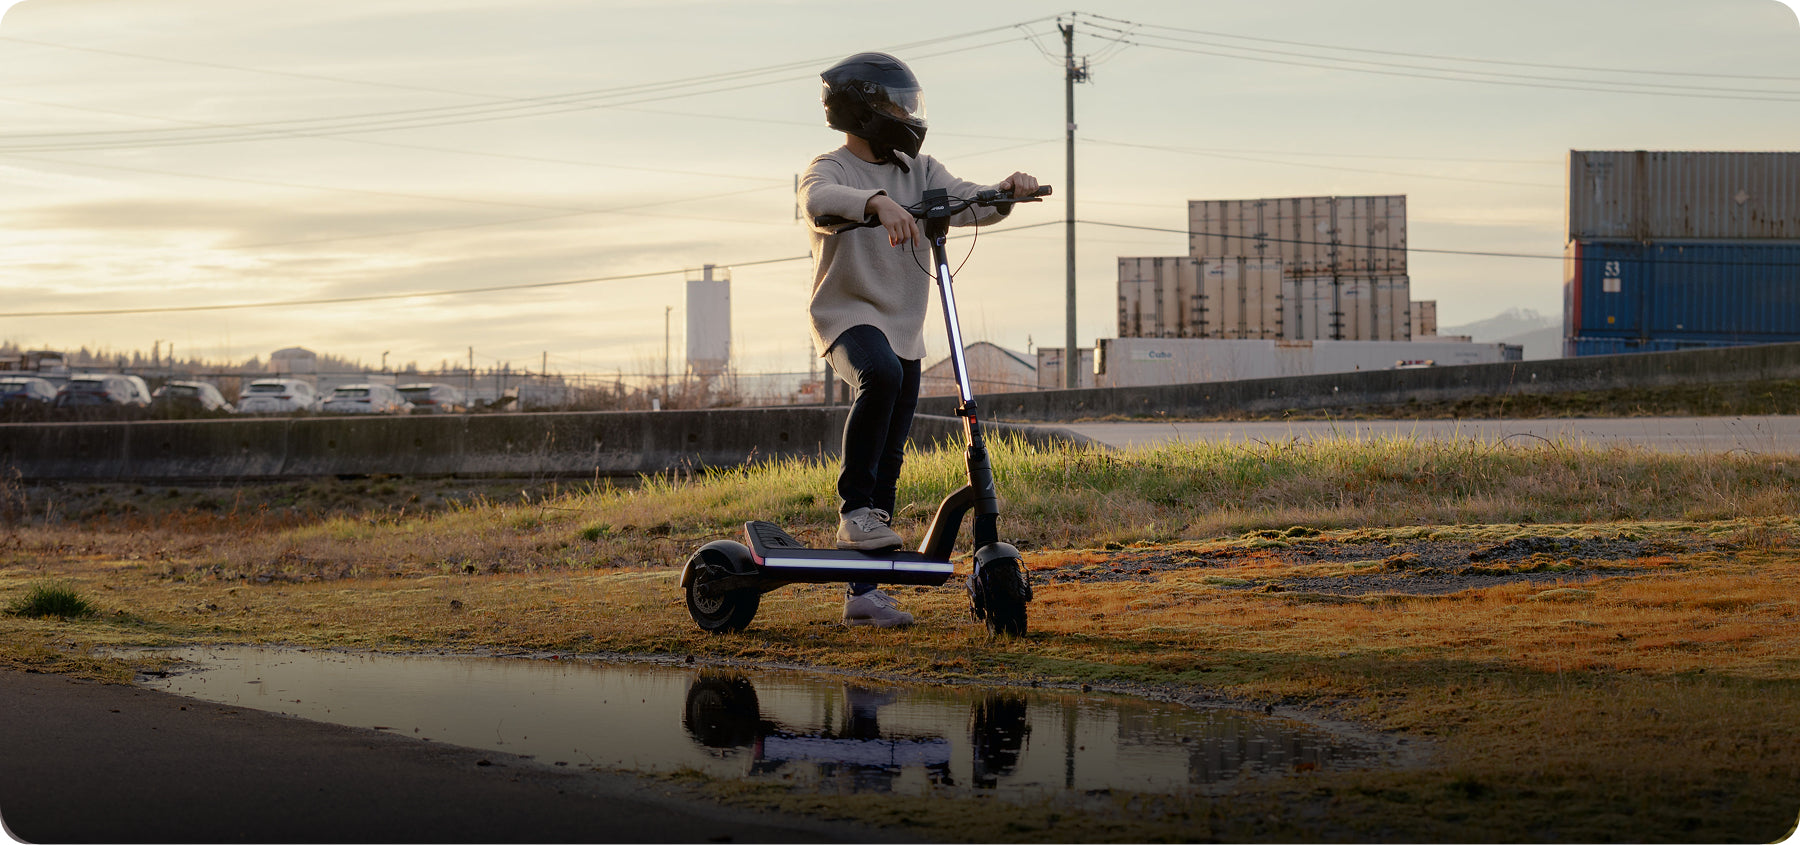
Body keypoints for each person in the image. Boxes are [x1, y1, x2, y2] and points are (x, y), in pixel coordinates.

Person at [797, 52, 1038, 628]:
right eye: (898, 105)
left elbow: (968, 199)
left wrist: (1006, 190)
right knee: (878, 376)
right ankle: (852, 510)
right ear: (864, 109)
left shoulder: (920, 170)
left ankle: (863, 592)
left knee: (892, 451)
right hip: (847, 316)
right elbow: (818, 203)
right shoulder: (828, 168)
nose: (908, 115)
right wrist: (875, 205)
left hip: (904, 327)